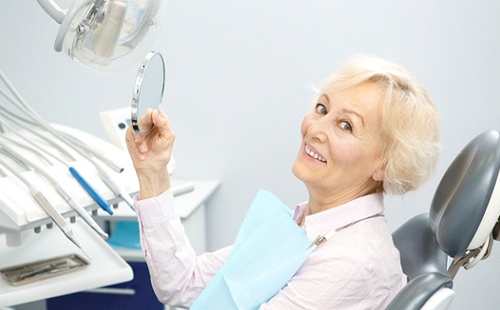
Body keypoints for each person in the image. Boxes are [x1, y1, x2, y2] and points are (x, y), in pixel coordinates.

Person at [125, 55, 440, 309]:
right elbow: (181, 283)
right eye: (322, 108)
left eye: (346, 125)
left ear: (385, 165)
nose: (315, 129)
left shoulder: (351, 261)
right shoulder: (306, 225)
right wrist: (153, 172)